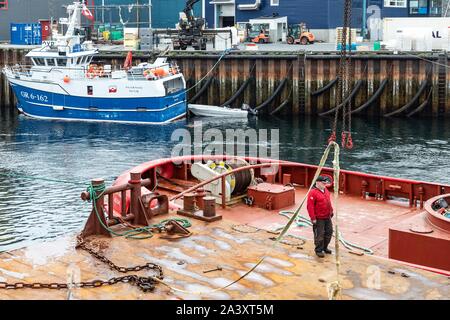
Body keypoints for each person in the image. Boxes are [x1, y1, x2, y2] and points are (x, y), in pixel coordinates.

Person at [307, 175, 334, 258]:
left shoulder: (325, 190)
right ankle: (318, 250)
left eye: (325, 182)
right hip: (319, 218)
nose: (325, 184)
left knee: (329, 232)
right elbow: (310, 206)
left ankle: (325, 247)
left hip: (327, 216)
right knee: (320, 234)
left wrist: (331, 211)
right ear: (318, 183)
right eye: (323, 182)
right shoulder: (313, 193)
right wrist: (313, 218)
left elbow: (328, 202)